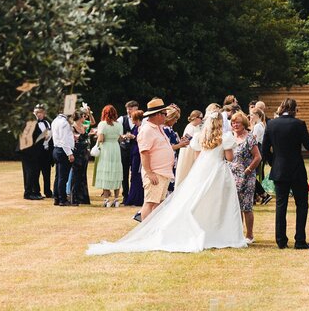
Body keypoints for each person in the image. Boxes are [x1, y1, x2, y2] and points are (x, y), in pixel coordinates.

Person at [86, 107, 248, 254]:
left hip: (203, 172)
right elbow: (229, 157)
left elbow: (198, 159)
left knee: (198, 201)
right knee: (218, 203)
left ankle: (201, 229)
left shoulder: (200, 137)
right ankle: (217, 231)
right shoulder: (225, 138)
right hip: (218, 171)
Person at [262, 97, 309, 250]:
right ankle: (300, 240)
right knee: (302, 205)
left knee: (281, 205)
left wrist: (274, 163)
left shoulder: (271, 124)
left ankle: (281, 240)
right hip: (297, 169)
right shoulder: (299, 124)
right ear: (295, 109)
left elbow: (265, 150)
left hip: (279, 169)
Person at [136, 98, 177, 221]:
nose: (166, 116)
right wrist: (149, 172)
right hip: (155, 173)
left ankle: (152, 232)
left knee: (158, 203)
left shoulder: (157, 127)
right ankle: (145, 232)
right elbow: (144, 153)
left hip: (163, 172)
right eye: (165, 114)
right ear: (158, 114)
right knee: (150, 202)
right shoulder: (147, 130)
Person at [229, 111, 262, 242]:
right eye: (233, 122)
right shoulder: (229, 137)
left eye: (238, 122)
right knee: (235, 207)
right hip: (231, 176)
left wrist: (248, 170)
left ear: (244, 124)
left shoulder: (249, 138)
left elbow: (258, 157)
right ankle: (237, 234)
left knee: (246, 207)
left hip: (247, 176)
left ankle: (249, 235)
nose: (235, 125)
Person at [93, 105, 125, 207]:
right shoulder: (119, 124)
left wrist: (96, 135)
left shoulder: (102, 124)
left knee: (106, 171)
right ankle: (116, 199)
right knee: (116, 171)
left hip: (106, 148)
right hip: (115, 148)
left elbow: (101, 139)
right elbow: (121, 138)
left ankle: (106, 199)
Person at [21, 104, 51, 200]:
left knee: (46, 172)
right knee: (33, 173)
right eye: (37, 112)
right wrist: (43, 136)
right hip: (32, 152)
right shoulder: (30, 123)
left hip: (45, 151)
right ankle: (33, 192)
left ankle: (47, 191)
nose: (39, 114)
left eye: (41, 112)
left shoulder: (47, 123)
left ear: (44, 113)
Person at [51, 110, 76, 206]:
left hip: (56, 149)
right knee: (63, 177)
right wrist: (69, 153)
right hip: (63, 150)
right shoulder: (64, 123)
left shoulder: (55, 120)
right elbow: (64, 140)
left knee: (58, 176)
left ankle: (57, 197)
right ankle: (63, 199)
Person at [174, 109, 204, 189]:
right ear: (195, 118)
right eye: (201, 118)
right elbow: (187, 141)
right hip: (188, 153)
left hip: (194, 152)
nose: (202, 120)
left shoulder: (196, 127)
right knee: (185, 171)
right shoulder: (190, 128)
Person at [70, 109, 93, 206]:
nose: (85, 118)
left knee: (83, 175)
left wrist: (90, 134)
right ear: (79, 118)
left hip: (84, 153)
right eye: (83, 116)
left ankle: (83, 198)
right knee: (76, 176)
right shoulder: (72, 127)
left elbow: (91, 124)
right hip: (76, 153)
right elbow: (71, 140)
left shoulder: (83, 126)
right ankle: (74, 198)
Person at [250, 108, 272, 205]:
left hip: (257, 150)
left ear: (257, 115)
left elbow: (253, 139)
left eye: (252, 115)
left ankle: (262, 195)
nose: (250, 117)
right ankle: (256, 196)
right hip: (259, 149)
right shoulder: (260, 125)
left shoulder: (258, 126)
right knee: (252, 175)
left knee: (252, 175)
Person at [123, 109, 145, 207]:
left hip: (138, 153)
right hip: (134, 152)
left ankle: (137, 198)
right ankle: (133, 197)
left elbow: (142, 140)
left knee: (137, 175)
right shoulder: (137, 126)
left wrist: (133, 137)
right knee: (134, 175)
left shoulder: (142, 127)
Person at [118, 100, 140, 198]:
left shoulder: (141, 120)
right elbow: (114, 130)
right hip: (124, 149)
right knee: (124, 173)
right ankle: (125, 195)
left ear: (136, 109)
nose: (128, 111)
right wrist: (122, 136)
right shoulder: (122, 119)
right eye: (127, 109)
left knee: (135, 172)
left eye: (130, 109)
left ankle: (134, 194)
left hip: (136, 149)